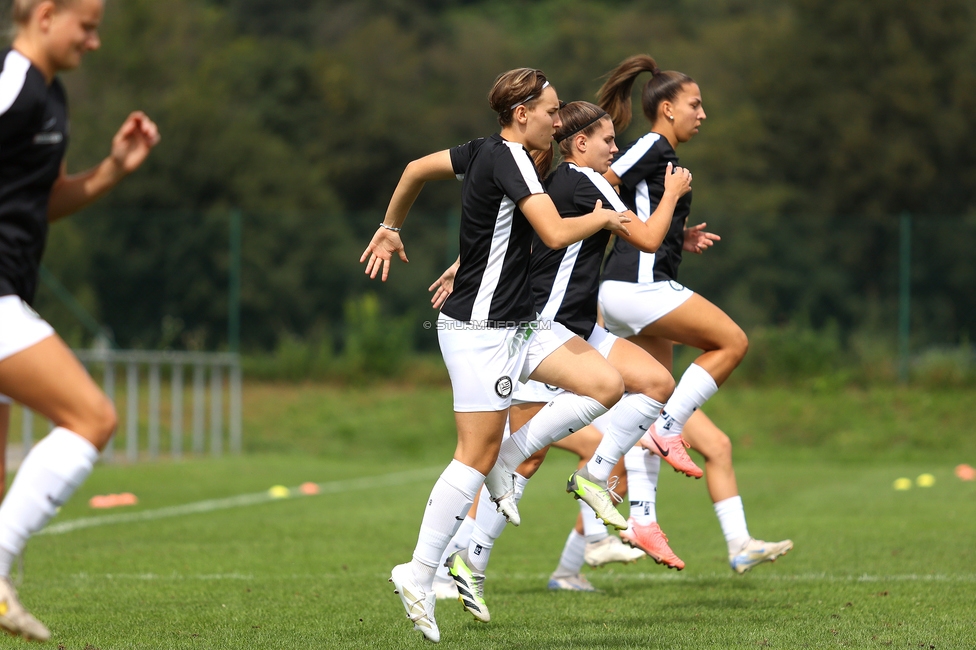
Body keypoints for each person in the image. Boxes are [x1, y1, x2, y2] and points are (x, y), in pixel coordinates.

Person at [359, 68, 631, 643]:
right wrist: (607, 217)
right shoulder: (506, 158)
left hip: (521, 325)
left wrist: (392, 227)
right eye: (552, 112)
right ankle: (419, 570)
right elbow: (555, 235)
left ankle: (508, 459)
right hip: (479, 330)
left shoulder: (493, 153)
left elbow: (414, 171)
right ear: (521, 112)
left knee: (604, 386)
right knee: (471, 457)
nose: (559, 123)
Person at [594, 54, 792, 574]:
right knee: (732, 342)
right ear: (666, 108)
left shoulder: (668, 158)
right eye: (695, 104)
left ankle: (642, 518)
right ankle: (671, 425)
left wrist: (678, 236)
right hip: (635, 286)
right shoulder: (651, 145)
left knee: (648, 393)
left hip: (632, 289)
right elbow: (599, 183)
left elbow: (638, 210)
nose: (702, 113)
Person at [0, 0, 160, 639]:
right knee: (92, 416)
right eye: (87, 26)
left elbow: (41, 202)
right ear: (43, 15)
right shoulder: (14, 85)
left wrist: (113, 168)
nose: (94, 42)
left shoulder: (49, 96)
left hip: (12, 289)